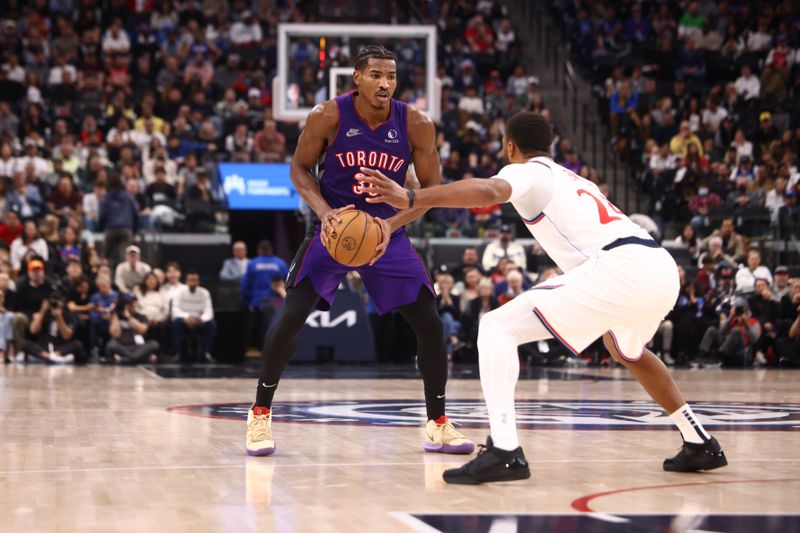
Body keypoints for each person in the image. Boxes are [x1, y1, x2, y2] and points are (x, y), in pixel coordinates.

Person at [360, 111, 727, 484]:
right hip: (660, 267)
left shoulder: (527, 170)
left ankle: (504, 450)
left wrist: (410, 197)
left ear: (509, 146)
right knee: (626, 350)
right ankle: (699, 440)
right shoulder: (573, 177)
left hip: (620, 268)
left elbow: (488, 191)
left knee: (496, 327)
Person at [245, 45, 474, 457]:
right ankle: (260, 413)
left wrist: (390, 222)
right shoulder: (326, 116)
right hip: (335, 229)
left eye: (391, 76)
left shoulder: (417, 124)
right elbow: (298, 168)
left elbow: (431, 194)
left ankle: (438, 422)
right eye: (376, 75)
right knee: (292, 314)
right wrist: (326, 212)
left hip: (388, 234)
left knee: (429, 322)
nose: (385, 83)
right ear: (357, 78)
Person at [240, 240, 288, 351]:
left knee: (258, 328)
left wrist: (247, 300)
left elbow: (244, 285)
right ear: (271, 250)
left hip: (257, 302)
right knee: (274, 327)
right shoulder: (280, 263)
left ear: (259, 250)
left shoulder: (252, 264)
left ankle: (260, 350)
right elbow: (288, 281)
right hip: (276, 303)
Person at [21, 292, 86, 364]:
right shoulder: (44, 314)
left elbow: (67, 336)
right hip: (44, 346)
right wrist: (42, 311)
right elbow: (33, 330)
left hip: (60, 347)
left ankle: (54, 356)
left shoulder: (68, 316)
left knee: (77, 344)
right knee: (25, 343)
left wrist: (59, 317)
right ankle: (50, 357)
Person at [171, 270, 216, 362]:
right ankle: (178, 353)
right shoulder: (179, 292)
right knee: (176, 323)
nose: (192, 282)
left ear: (198, 281)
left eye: (195, 280)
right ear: (186, 281)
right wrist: (187, 317)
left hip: (199, 320)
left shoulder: (205, 293)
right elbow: (175, 310)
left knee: (212, 324)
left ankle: (206, 353)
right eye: (190, 280)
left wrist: (201, 319)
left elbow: (209, 311)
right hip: (184, 320)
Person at [12, 258, 53, 354]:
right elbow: (18, 307)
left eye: (38, 270)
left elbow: (52, 302)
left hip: (45, 314)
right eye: (33, 271)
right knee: (19, 318)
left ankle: (48, 348)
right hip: (27, 315)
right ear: (28, 272)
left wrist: (41, 314)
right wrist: (32, 315)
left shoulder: (49, 285)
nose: (36, 273)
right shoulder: (22, 286)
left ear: (43, 272)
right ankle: (20, 350)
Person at [106, 292, 160, 365]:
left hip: (139, 347)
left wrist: (129, 317)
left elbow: (142, 330)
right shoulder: (117, 317)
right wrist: (115, 314)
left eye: (133, 303)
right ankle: (140, 358)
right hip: (123, 346)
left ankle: (125, 360)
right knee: (111, 344)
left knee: (154, 344)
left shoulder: (142, 316)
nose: (131, 305)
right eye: (128, 303)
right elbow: (115, 334)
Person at [99, 172, 139, 267]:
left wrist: (101, 228)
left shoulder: (106, 197)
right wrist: (134, 230)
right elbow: (136, 214)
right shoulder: (128, 197)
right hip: (126, 229)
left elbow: (102, 215)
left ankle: (103, 273)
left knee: (104, 257)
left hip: (110, 229)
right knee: (124, 259)